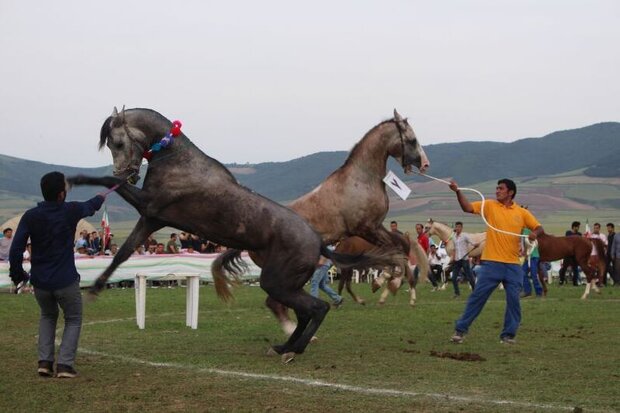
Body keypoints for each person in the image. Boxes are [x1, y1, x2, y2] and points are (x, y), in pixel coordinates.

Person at [8, 171, 105, 378]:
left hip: (40, 282)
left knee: (47, 316)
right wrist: (100, 197)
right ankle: (65, 365)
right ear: (61, 194)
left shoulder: (30, 216)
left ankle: (44, 362)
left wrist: (18, 275)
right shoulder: (70, 210)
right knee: (73, 318)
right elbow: (90, 206)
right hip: (66, 280)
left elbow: (15, 249)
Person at [448, 178, 543, 345]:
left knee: (514, 300)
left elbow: (539, 227)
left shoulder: (521, 212)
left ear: (510, 192)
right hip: (491, 263)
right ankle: (460, 330)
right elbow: (467, 208)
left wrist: (535, 233)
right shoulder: (490, 206)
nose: (497, 191)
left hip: (513, 265)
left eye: (501, 188)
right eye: (497, 188)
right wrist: (457, 191)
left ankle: (508, 335)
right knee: (478, 297)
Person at [451, 221, 477, 298]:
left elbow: (471, 241)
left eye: (459, 227)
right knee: (453, 278)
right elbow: (455, 248)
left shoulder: (464, 236)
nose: (458, 228)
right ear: (455, 228)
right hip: (457, 260)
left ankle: (475, 292)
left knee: (470, 277)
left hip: (464, 260)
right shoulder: (454, 237)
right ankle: (457, 293)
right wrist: (453, 258)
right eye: (456, 227)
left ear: (461, 228)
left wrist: (475, 244)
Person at [521, 228, 543, 297]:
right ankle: (528, 291)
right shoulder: (528, 230)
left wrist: (526, 252)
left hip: (533, 256)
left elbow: (527, 242)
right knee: (522, 273)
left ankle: (538, 292)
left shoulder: (527, 230)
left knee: (533, 275)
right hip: (530, 256)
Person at [558, 221, 581, 286]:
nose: (578, 228)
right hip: (567, 254)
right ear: (574, 227)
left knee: (575, 269)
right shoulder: (568, 233)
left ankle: (575, 282)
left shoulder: (579, 234)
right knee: (564, 268)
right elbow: (567, 240)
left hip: (575, 254)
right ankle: (561, 281)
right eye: (577, 227)